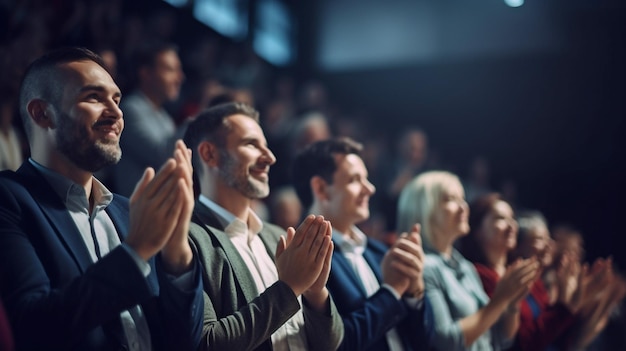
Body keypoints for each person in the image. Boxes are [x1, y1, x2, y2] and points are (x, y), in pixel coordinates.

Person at [0, 47, 204, 351]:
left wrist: (178, 256)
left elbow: (186, 340)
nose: (116, 112)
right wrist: (137, 251)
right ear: (42, 113)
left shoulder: (127, 211)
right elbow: (32, 327)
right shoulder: (10, 199)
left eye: (117, 99)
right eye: (94, 97)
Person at [182, 102, 343, 351]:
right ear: (209, 154)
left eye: (266, 145)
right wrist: (289, 289)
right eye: (251, 144)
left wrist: (316, 294)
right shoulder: (185, 237)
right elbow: (206, 344)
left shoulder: (277, 235)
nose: (269, 157)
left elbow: (332, 344)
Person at [291, 137, 432, 351]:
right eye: (355, 180)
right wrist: (393, 291)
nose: (370, 188)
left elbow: (423, 339)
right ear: (321, 188)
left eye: (366, 178)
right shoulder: (302, 261)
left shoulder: (379, 252)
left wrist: (415, 294)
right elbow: (338, 343)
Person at [396, 171, 538, 351]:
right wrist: (499, 300)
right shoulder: (424, 267)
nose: (463, 206)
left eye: (462, 198)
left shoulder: (465, 266)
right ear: (425, 209)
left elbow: (500, 340)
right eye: (450, 199)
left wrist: (512, 302)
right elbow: (445, 341)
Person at [460, 194, 582, 351]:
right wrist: (565, 307)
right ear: (477, 230)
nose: (511, 224)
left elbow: (556, 337)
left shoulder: (519, 271)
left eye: (512, 218)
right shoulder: (476, 275)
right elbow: (522, 343)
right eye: (500, 219)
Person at [113, 42, 185, 196]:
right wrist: (195, 122)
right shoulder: (130, 109)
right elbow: (163, 156)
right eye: (170, 70)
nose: (179, 78)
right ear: (146, 73)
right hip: (130, 211)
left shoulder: (165, 117)